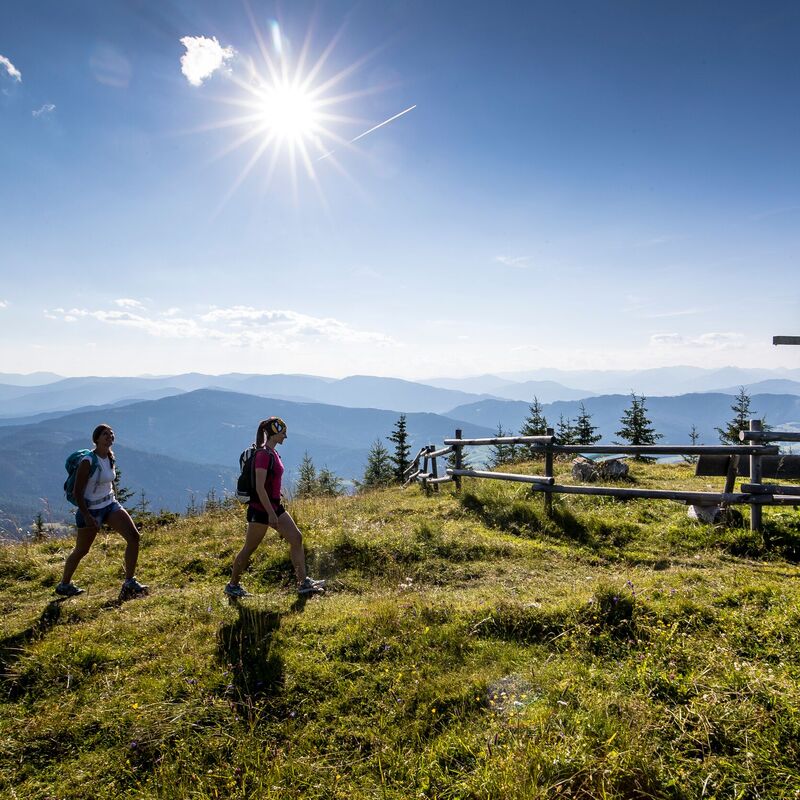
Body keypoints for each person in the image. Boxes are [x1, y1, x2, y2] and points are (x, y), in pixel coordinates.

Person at [225, 416, 324, 598]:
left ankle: (303, 583)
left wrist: (276, 497)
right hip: (261, 509)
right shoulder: (263, 455)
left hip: (274, 506)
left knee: (296, 538)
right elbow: (259, 487)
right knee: (249, 548)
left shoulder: (273, 453)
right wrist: (270, 513)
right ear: (273, 433)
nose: (285, 436)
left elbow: (270, 483)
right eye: (283, 432)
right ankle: (232, 586)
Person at [55, 424, 148, 599]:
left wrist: (115, 499)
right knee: (82, 550)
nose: (109, 436)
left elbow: (110, 482)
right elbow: (77, 492)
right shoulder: (88, 461)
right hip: (91, 510)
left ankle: (129, 582)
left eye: (111, 434)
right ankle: (64, 584)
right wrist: (87, 516)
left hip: (110, 505)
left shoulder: (110, 457)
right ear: (96, 439)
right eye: (105, 434)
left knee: (134, 537)